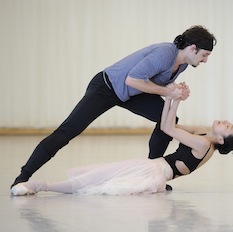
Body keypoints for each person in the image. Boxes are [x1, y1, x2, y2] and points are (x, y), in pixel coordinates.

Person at [11, 25, 217, 189]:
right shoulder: (165, 53)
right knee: (68, 131)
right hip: (106, 88)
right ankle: (23, 176)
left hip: (131, 94)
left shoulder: (182, 64)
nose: (205, 60)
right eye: (204, 55)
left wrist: (176, 90)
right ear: (192, 48)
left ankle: (152, 172)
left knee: (168, 120)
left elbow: (156, 85)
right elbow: (132, 80)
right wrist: (168, 92)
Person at [11, 94, 233, 196]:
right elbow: (166, 125)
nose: (226, 122)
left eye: (228, 127)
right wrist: (173, 100)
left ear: (221, 139)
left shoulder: (204, 144)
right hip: (153, 168)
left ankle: (40, 185)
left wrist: (175, 99)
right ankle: (38, 186)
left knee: (96, 180)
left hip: (153, 172)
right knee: (98, 177)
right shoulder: (203, 133)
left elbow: (170, 129)